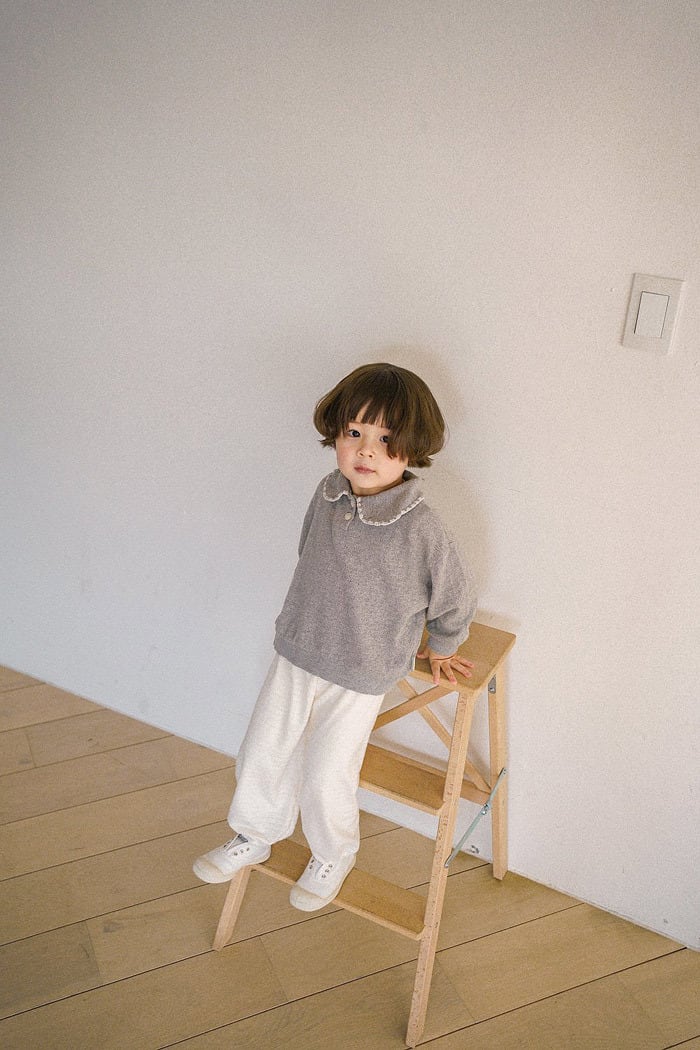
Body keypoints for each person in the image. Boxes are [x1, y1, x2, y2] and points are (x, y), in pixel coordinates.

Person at [193, 362, 477, 910]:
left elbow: (455, 595)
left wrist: (444, 645)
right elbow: (308, 556)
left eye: (385, 439)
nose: (366, 451)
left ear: (412, 446)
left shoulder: (421, 527)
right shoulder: (326, 495)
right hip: (299, 649)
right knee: (262, 752)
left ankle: (333, 853)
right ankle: (255, 832)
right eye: (354, 433)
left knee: (328, 774)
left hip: (361, 670)